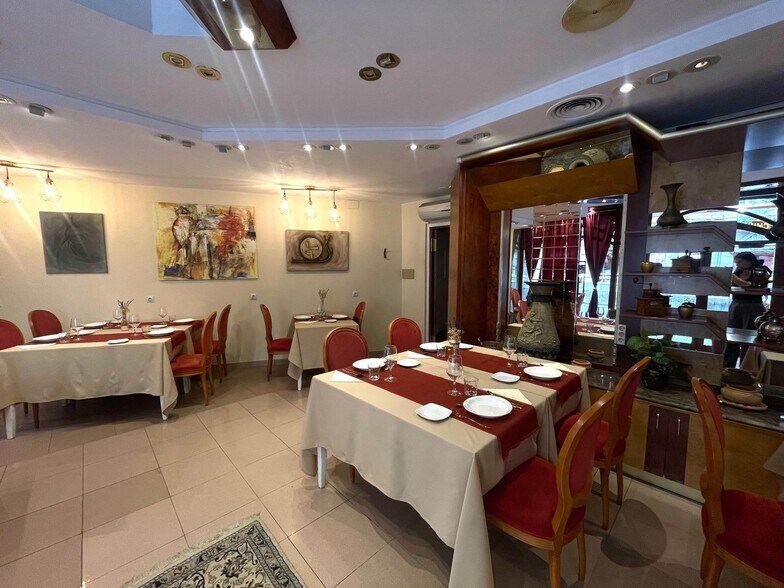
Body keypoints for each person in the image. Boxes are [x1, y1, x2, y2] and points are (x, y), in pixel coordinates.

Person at [724, 252, 766, 367]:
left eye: (740, 262)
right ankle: (727, 367)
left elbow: (751, 286)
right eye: (736, 262)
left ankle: (745, 368)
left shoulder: (760, 271)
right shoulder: (738, 271)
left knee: (749, 337)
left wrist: (734, 278)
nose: (738, 265)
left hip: (752, 305)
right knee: (731, 336)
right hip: (736, 304)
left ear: (750, 261)